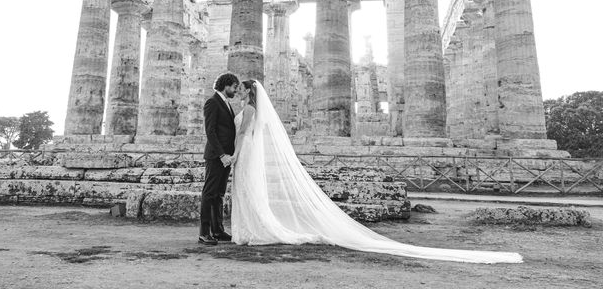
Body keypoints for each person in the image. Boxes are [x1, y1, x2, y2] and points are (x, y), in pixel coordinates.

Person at [228, 79, 523, 264]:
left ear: (248, 93)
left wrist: (234, 155)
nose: (238, 92)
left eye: (241, 89)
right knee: (250, 191)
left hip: (246, 152)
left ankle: (253, 229)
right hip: (248, 152)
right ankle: (251, 228)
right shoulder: (251, 108)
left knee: (250, 190)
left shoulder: (251, 110)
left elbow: (243, 135)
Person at [198, 72, 239, 246]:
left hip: (226, 158)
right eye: (235, 87)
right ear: (226, 85)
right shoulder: (212, 102)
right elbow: (211, 131)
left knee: (219, 194)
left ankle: (218, 230)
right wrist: (222, 154)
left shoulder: (227, 104)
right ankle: (204, 233)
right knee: (209, 193)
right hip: (216, 157)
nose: (236, 91)